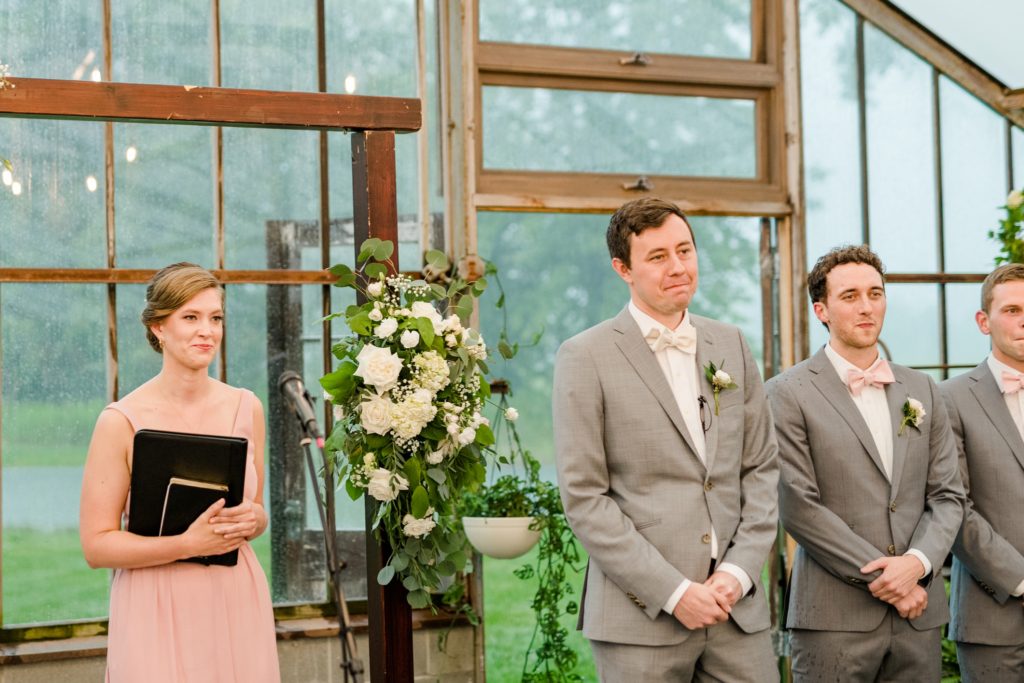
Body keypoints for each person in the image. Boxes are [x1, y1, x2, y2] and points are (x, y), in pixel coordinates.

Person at [553, 197, 780, 681]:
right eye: (657, 257)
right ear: (623, 269)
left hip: (737, 613)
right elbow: (585, 499)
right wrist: (675, 593)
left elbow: (760, 469)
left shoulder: (733, 344)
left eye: (684, 251)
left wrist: (738, 573)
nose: (677, 267)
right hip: (642, 618)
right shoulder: (584, 356)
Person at [766, 245, 963, 682]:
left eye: (875, 294)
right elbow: (799, 506)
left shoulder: (923, 389)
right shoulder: (786, 393)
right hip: (833, 618)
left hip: (918, 616)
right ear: (821, 310)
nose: (866, 306)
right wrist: (891, 582)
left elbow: (948, 496)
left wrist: (917, 564)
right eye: (850, 296)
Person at [79, 263, 280, 683]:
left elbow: (256, 512)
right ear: (158, 327)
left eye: (215, 318)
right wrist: (187, 544)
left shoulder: (247, 408)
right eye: (190, 317)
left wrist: (256, 518)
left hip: (234, 597)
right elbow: (96, 546)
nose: (207, 331)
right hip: (152, 602)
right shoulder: (120, 421)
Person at [940, 263, 1024, 681]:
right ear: (983, 321)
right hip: (993, 616)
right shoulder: (948, 399)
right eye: (1012, 310)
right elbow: (952, 505)